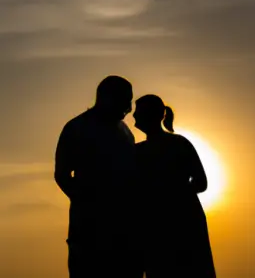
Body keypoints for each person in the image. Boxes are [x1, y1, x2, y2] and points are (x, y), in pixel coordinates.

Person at [54, 76, 143, 278]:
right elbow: (62, 174)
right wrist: (86, 203)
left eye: (129, 101)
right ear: (105, 98)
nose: (128, 108)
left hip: (126, 230)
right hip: (89, 232)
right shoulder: (76, 128)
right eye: (124, 100)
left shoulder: (126, 132)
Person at [133, 94, 216, 278]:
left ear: (150, 115)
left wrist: (171, 196)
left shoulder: (178, 144)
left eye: (138, 112)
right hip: (155, 227)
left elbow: (201, 182)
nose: (134, 116)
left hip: (183, 224)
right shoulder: (137, 151)